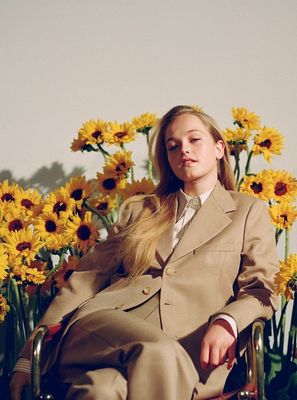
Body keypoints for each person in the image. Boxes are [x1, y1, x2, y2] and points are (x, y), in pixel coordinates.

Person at [10, 105, 279, 400]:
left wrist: (228, 320)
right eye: (172, 146)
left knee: (102, 390)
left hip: (186, 355)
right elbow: (86, 279)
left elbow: (262, 288)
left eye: (194, 140)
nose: (183, 151)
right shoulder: (140, 209)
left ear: (219, 148)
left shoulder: (247, 211)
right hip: (103, 325)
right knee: (159, 351)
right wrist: (27, 358)